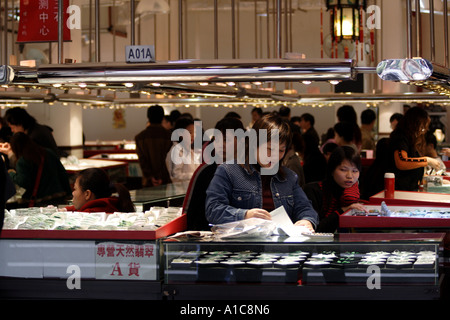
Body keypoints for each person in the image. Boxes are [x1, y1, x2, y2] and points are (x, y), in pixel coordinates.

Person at [205, 113, 318, 231]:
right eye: (269, 149)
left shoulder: (289, 177)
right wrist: (245, 215)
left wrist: (307, 220)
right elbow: (212, 210)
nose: (274, 156)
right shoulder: (228, 170)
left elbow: (305, 207)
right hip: (239, 246)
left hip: (278, 246)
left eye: (281, 150)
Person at [185, 117, 245, 231]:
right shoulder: (205, 171)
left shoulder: (250, 171)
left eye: (226, 140)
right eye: (217, 140)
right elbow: (189, 211)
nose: (220, 145)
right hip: (208, 238)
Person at [303, 146, 367, 233]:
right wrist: (343, 210)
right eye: (343, 170)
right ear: (332, 170)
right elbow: (315, 229)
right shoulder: (313, 191)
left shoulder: (355, 193)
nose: (350, 176)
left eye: (355, 171)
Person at [7, 132, 71, 207]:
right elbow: (62, 173)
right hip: (59, 196)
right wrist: (69, 193)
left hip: (40, 200)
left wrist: (11, 174)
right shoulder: (48, 152)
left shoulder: (23, 160)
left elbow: (23, 182)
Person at [388, 106, 441, 191]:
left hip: (407, 188)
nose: (422, 131)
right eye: (422, 127)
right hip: (399, 189)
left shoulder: (409, 139)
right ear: (414, 123)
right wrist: (426, 161)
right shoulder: (400, 137)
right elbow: (402, 162)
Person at [65, 168, 135, 213]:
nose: (73, 193)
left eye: (75, 189)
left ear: (87, 194)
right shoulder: (112, 206)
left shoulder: (86, 217)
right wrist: (66, 209)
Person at [135, 105, 173, 187]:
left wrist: (151, 176)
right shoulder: (169, 136)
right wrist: (161, 176)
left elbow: (142, 160)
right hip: (166, 178)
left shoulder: (140, 137)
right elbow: (170, 159)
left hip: (148, 181)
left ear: (148, 117)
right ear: (162, 117)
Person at [166, 117, 201, 183]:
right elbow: (175, 176)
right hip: (180, 190)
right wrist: (194, 175)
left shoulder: (189, 150)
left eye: (194, 132)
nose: (193, 135)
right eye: (190, 132)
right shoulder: (176, 151)